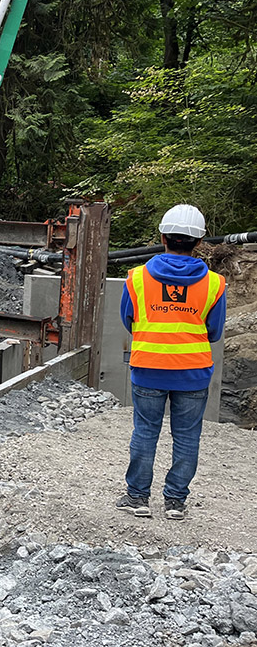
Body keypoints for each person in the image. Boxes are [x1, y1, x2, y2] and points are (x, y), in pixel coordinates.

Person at [116, 204, 226, 521]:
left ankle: (137, 497)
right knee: (188, 436)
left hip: (148, 368)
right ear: (200, 242)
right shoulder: (215, 284)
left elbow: (129, 319)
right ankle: (175, 502)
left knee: (145, 432)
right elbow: (215, 331)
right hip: (192, 373)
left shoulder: (137, 278)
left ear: (162, 237)